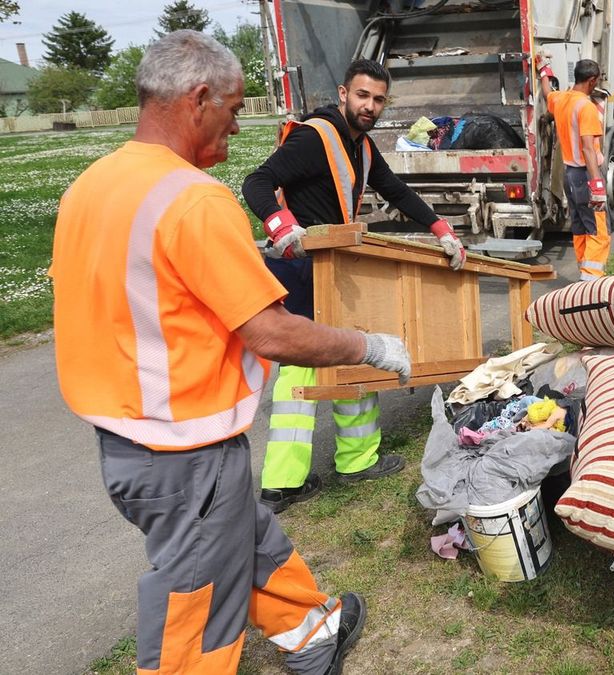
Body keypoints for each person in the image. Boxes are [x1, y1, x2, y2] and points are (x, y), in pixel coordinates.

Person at [49, 31, 408, 674]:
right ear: (199, 98)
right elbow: (273, 333)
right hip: (183, 444)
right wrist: (370, 344)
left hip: (124, 433)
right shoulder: (193, 199)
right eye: (236, 109)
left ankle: (312, 632)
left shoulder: (92, 185)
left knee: (247, 539)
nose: (239, 126)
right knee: (199, 596)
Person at [242, 59, 466, 513]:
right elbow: (258, 181)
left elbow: (395, 190)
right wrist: (282, 226)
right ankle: (290, 481)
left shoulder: (361, 145)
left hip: (332, 266)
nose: (370, 106)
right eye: (363, 96)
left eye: (379, 99)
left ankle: (340, 464)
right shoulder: (315, 135)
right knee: (310, 368)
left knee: (347, 355)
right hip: (302, 267)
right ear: (344, 93)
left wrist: (441, 228)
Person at [537, 56, 610, 281]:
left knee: (579, 226)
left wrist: (543, 71)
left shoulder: (561, 100)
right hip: (585, 173)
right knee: (597, 229)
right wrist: (597, 183)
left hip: (569, 174)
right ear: (591, 80)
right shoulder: (585, 107)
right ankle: (591, 280)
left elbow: (547, 92)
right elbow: (588, 149)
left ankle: (584, 272)